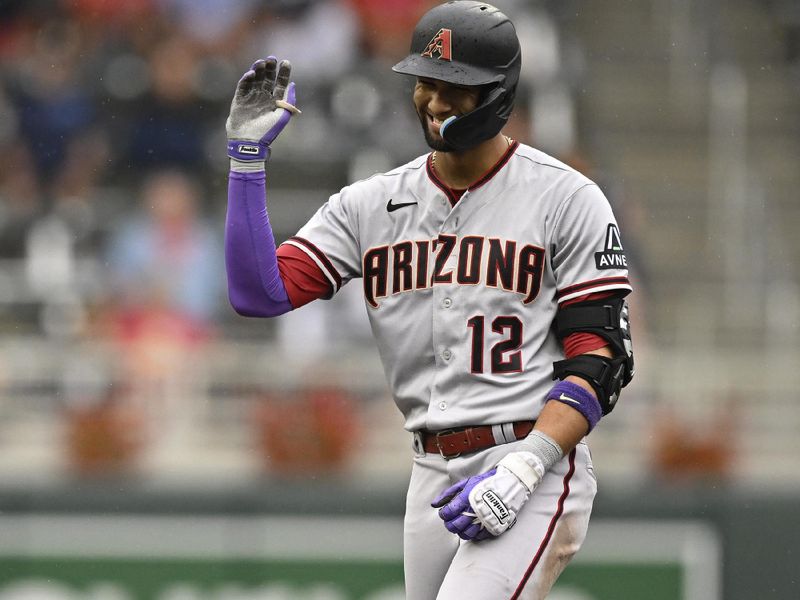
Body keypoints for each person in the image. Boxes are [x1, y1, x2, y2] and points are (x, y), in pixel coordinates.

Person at [224, 2, 634, 598]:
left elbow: (602, 357)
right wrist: (246, 164)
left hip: (532, 461)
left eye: (456, 87)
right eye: (426, 82)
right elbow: (258, 292)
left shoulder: (566, 197)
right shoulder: (372, 203)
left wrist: (526, 467)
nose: (436, 101)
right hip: (430, 472)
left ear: (498, 92)